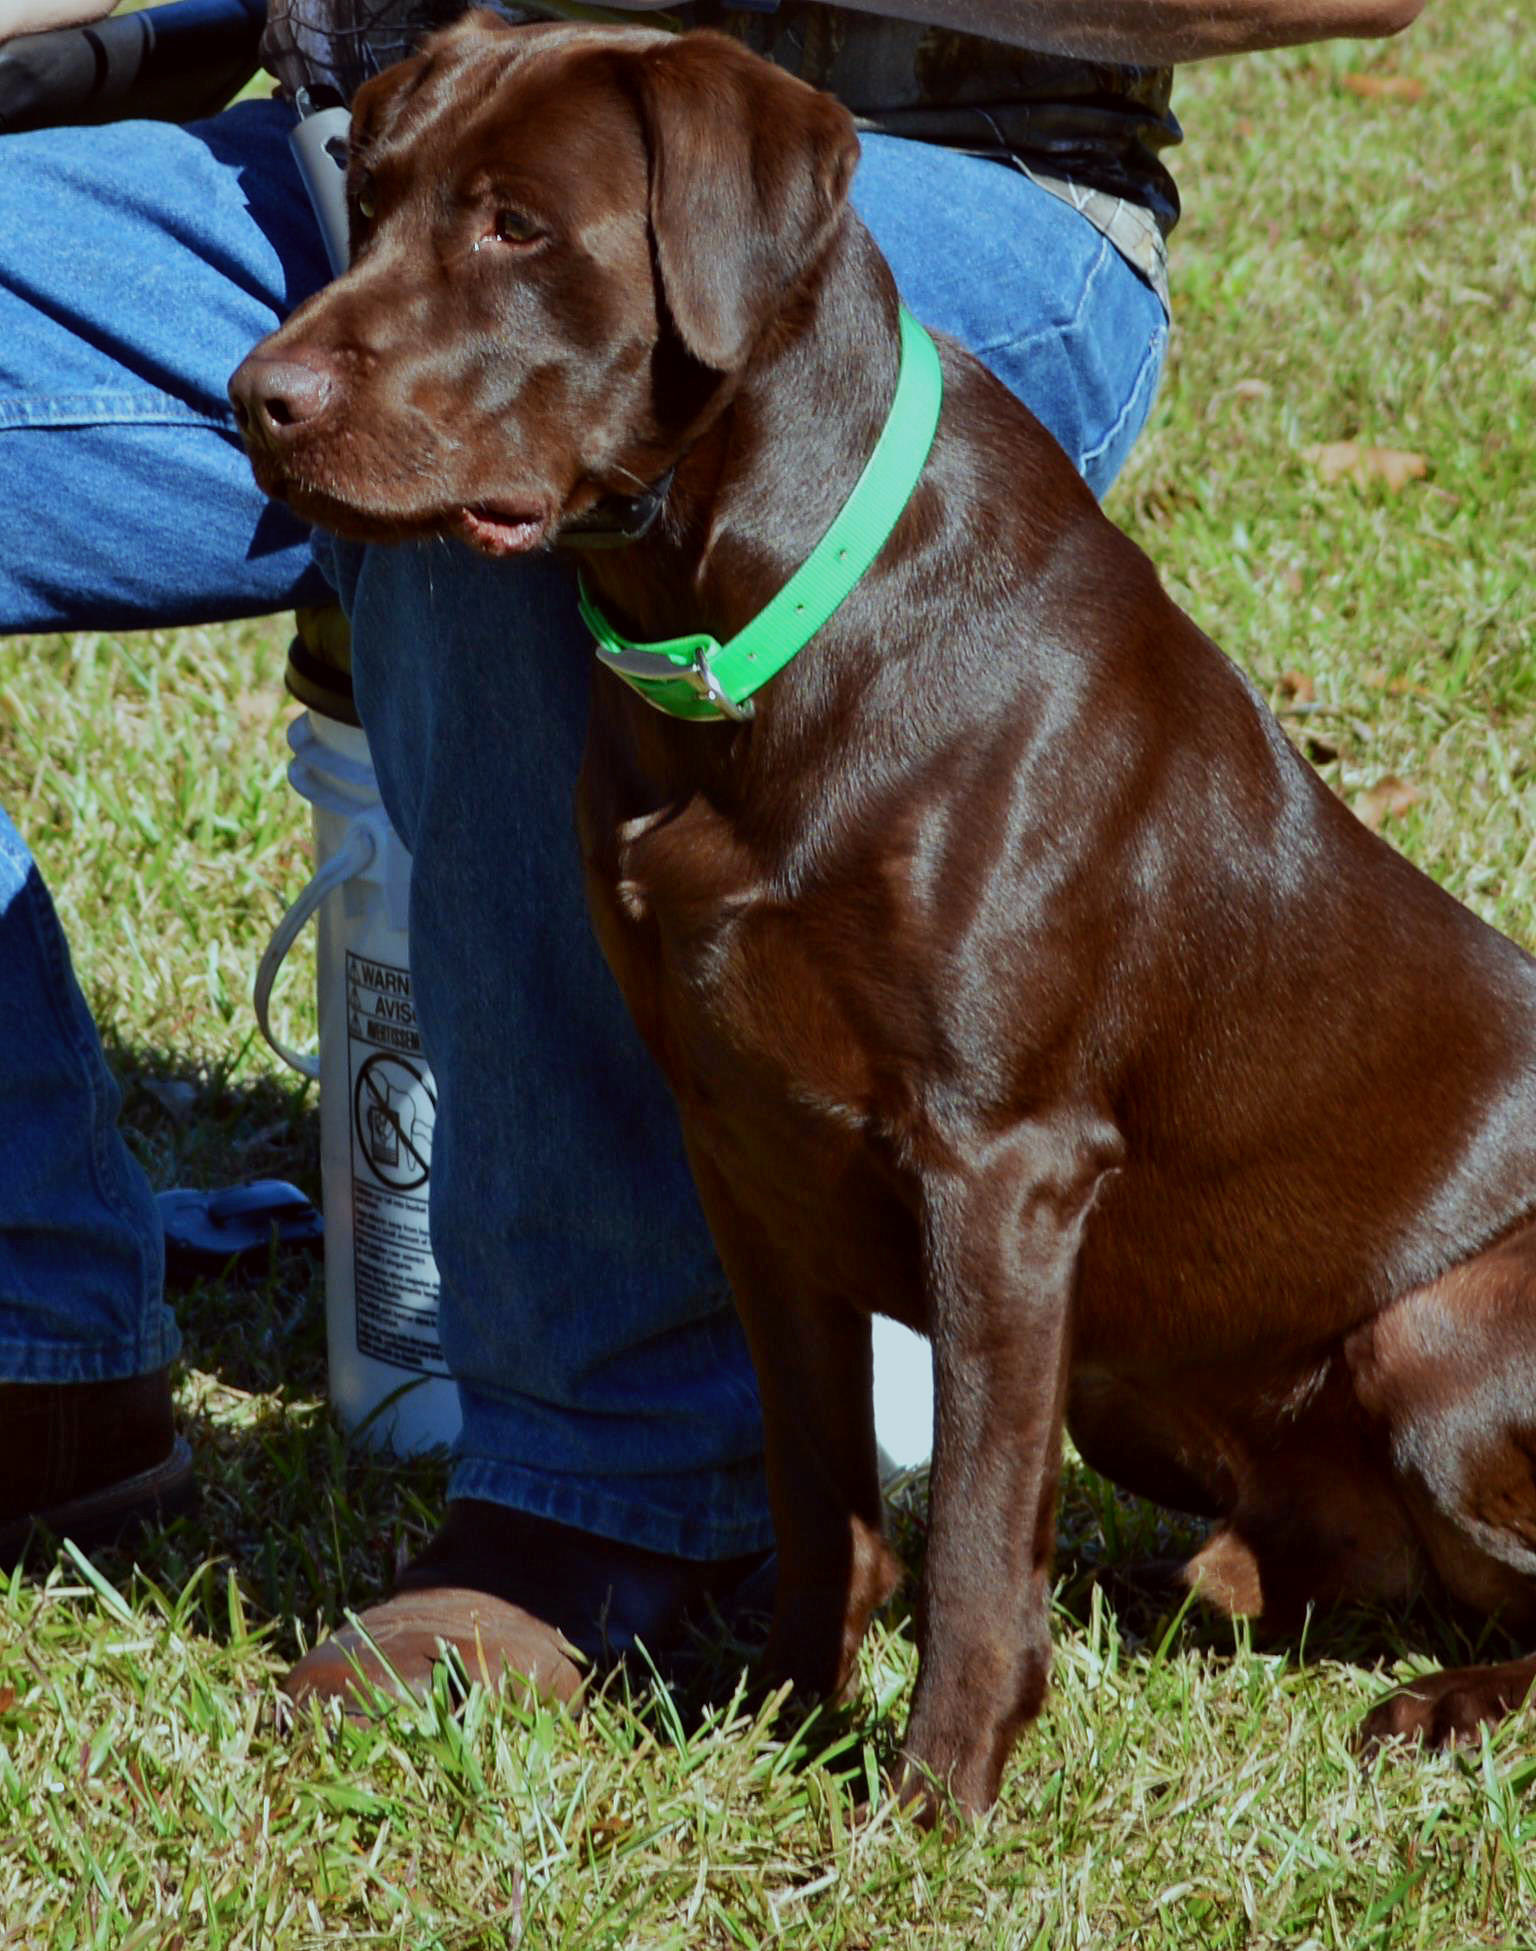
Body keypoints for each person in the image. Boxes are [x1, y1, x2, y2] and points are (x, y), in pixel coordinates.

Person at [0, 0, 1425, 1701]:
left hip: (926, 171)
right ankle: (39, 1347)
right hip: (394, 154)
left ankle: (613, 1491)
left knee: (548, 495)